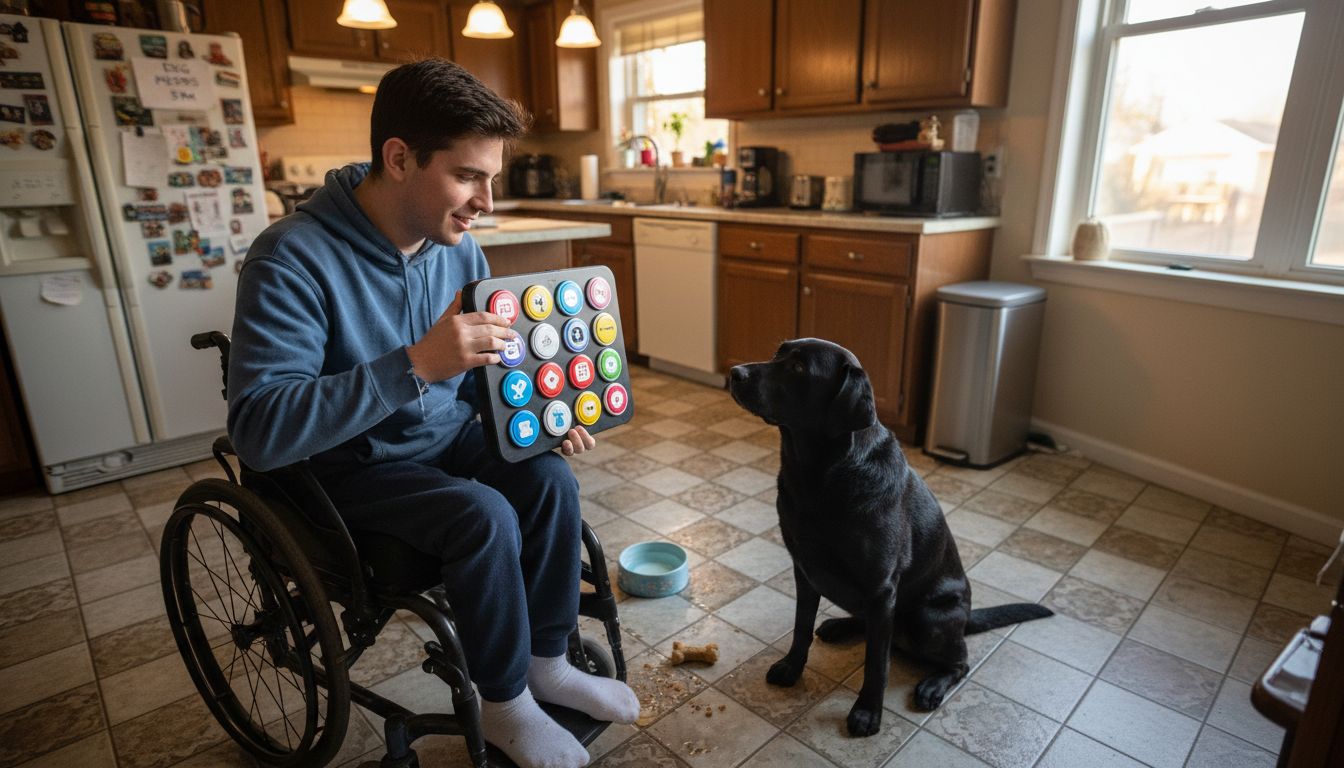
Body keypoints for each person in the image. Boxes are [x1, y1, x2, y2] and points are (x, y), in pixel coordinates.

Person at [226, 59, 638, 768]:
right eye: (467, 176)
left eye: (491, 179)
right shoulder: (290, 258)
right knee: (482, 514)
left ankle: (547, 662)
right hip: (342, 467)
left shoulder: (457, 245)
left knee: (548, 482)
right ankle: (504, 704)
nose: (484, 199)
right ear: (398, 158)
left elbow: (481, 371)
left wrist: (539, 412)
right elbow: (260, 430)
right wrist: (414, 366)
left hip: (440, 441)